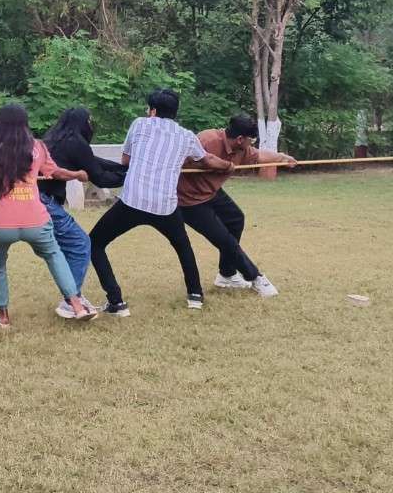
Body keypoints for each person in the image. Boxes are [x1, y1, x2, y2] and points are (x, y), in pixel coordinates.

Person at [87, 89, 233, 315]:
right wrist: (227, 166)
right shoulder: (186, 136)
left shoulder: (139, 124)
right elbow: (207, 160)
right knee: (183, 246)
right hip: (165, 205)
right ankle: (195, 295)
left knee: (94, 243)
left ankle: (116, 302)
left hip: (132, 201)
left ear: (152, 111)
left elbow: (126, 160)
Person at [0, 104, 95, 328]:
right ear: (25, 123)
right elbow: (56, 172)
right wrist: (78, 174)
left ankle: (3, 317)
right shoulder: (38, 147)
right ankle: (77, 306)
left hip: (1, 223)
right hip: (36, 220)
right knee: (54, 255)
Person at [177, 113, 296, 297]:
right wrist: (218, 164)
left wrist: (281, 158)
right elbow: (181, 160)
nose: (252, 143)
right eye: (251, 140)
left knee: (235, 219)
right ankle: (255, 277)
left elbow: (258, 156)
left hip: (211, 192)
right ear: (240, 139)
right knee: (224, 239)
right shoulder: (207, 140)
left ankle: (226, 275)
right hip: (188, 199)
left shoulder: (241, 149)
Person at [38, 108, 127, 320]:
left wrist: (126, 169)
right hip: (46, 203)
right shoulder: (76, 142)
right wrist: (131, 177)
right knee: (81, 244)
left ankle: (73, 295)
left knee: (65, 249)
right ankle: (72, 300)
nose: (91, 124)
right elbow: (100, 177)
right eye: (89, 121)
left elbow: (94, 161)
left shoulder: (53, 139)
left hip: (35, 201)